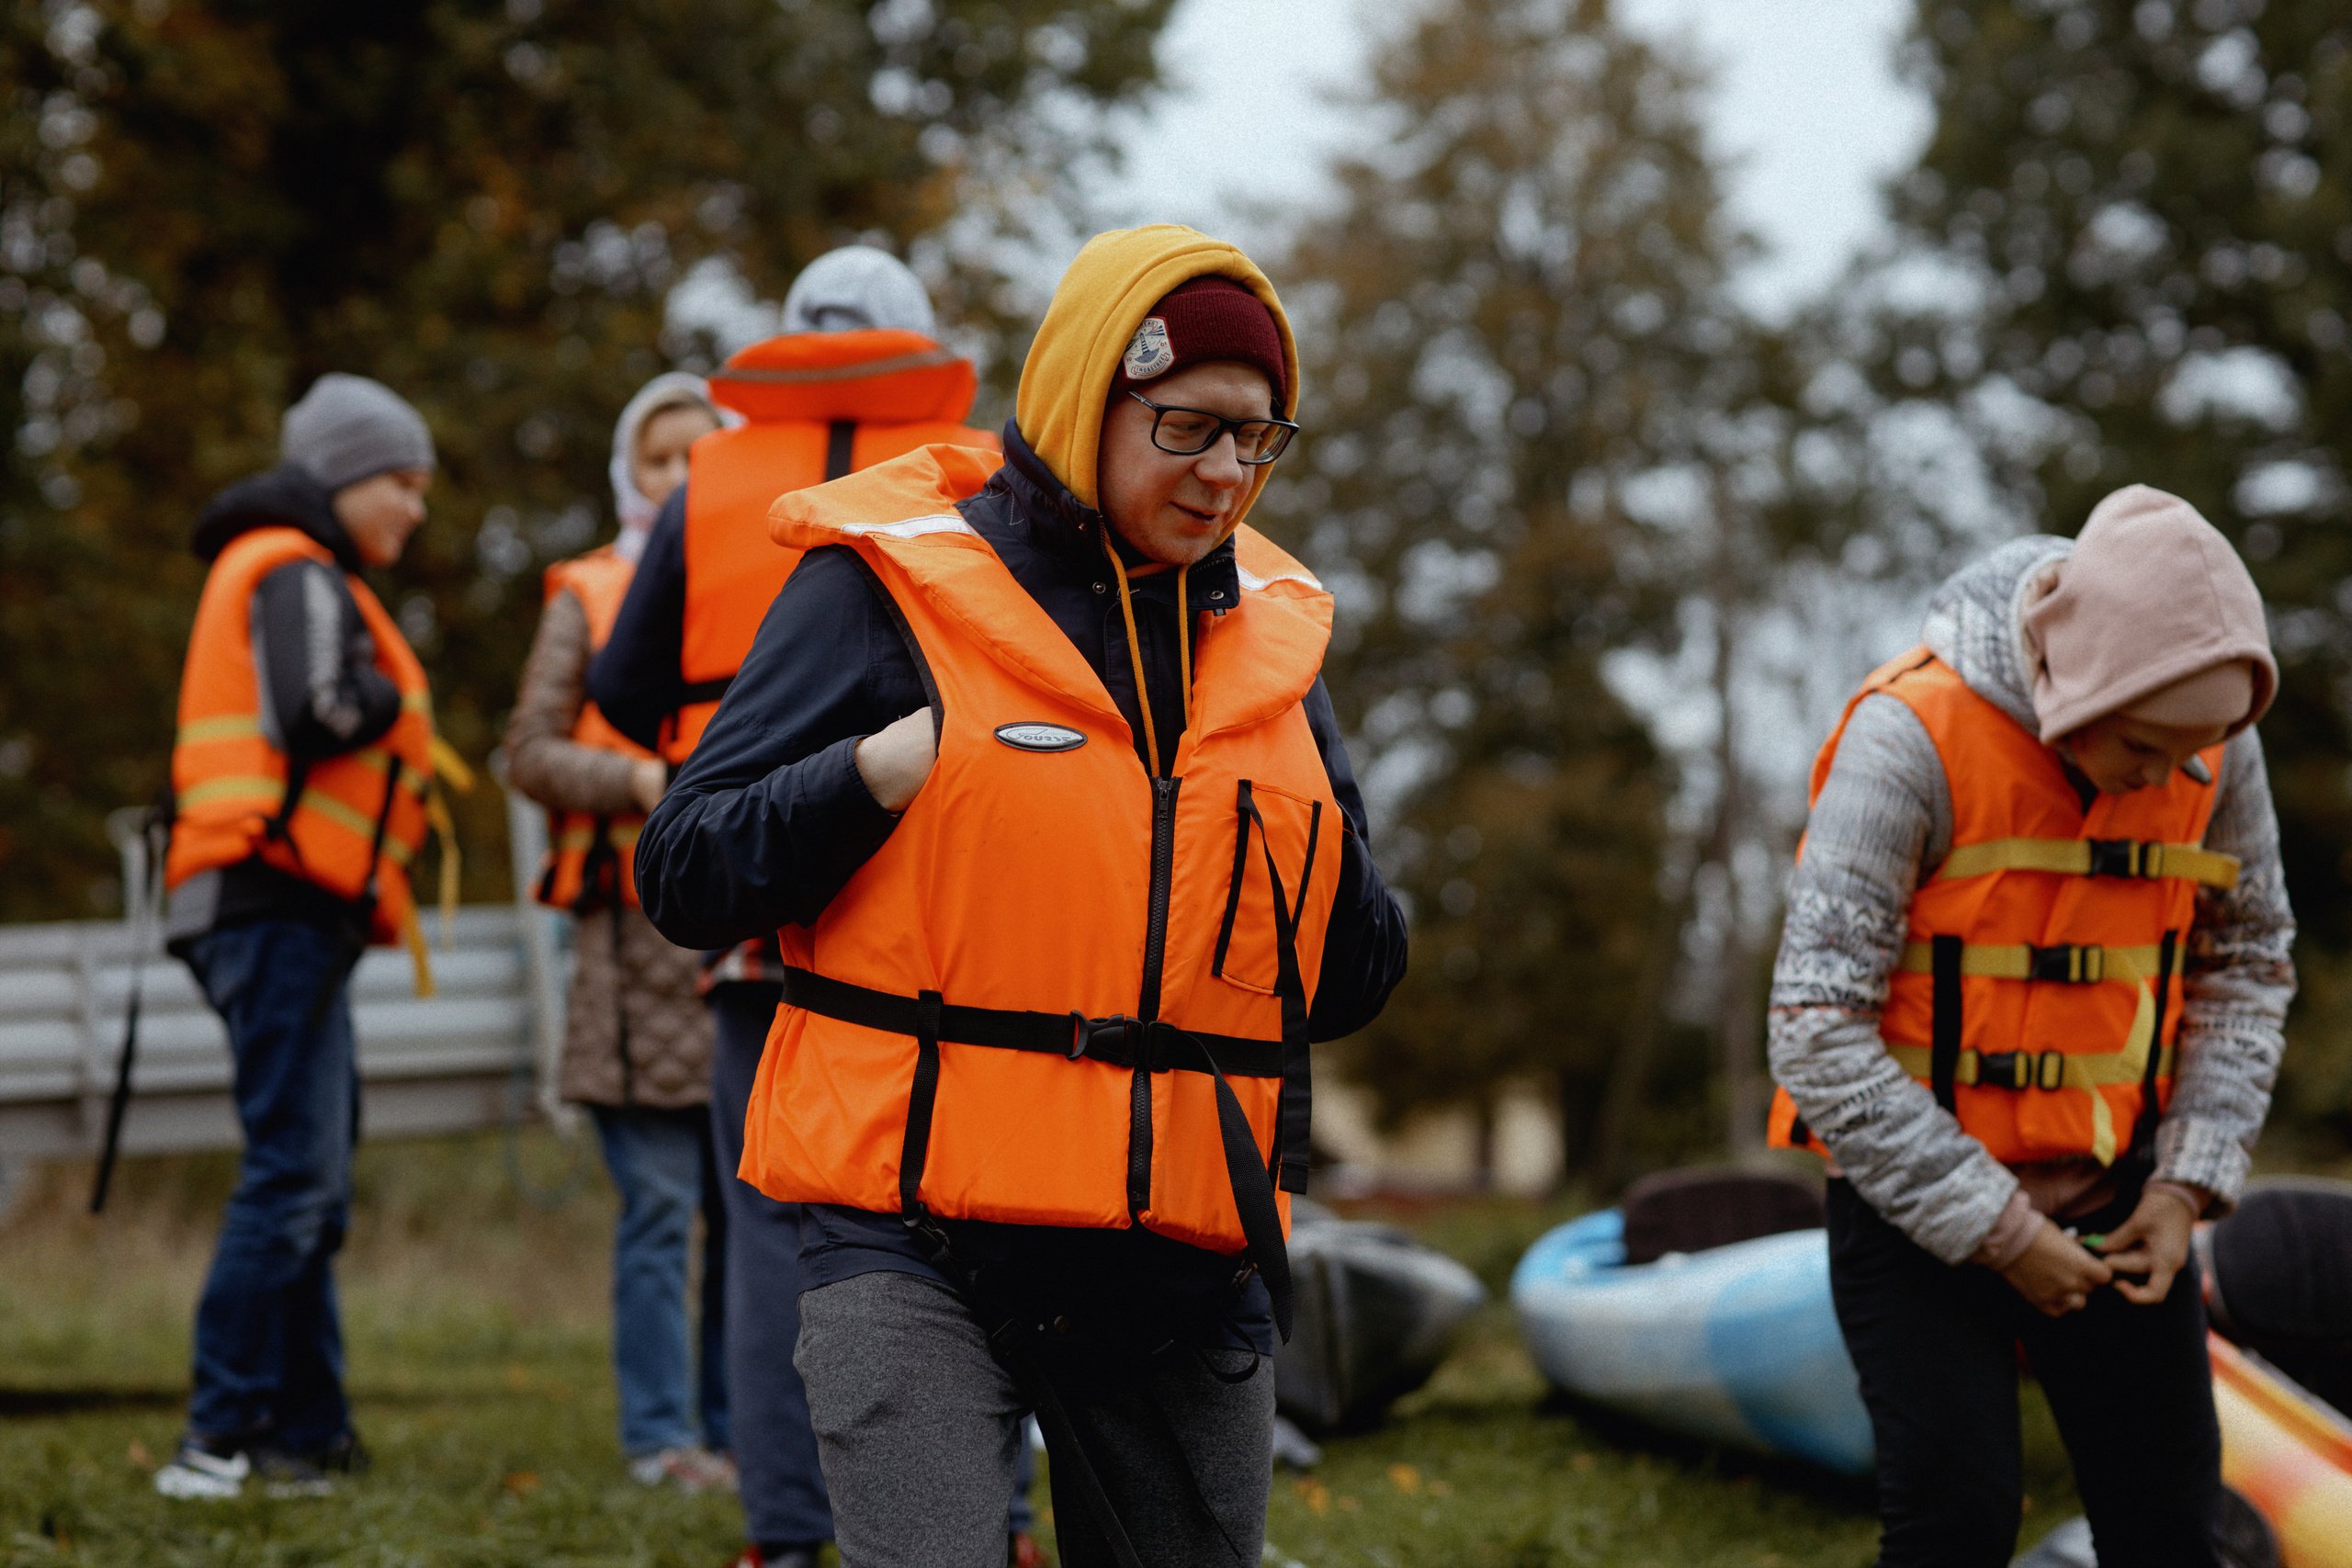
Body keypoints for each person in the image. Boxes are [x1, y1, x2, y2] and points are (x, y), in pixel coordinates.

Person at [633, 224, 1410, 1568]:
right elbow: (685, 868)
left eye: (1259, 437)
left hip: (1184, 1250)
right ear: (1083, 398)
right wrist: (869, 774)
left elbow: (1353, 979)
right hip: (918, 1232)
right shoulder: (882, 588)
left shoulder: (1274, 637)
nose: (1227, 471)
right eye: (1187, 427)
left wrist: (1293, 834)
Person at [1766, 487, 2296, 1567]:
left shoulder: (2212, 745)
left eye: (2199, 752)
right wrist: (2003, 1238)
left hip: (2121, 1200)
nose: (2170, 780)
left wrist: (2182, 1185)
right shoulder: (1907, 736)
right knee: (1955, 1527)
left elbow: (2247, 963)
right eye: (2146, 748)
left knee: (2170, 1531)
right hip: (1913, 1212)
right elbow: (1814, 1027)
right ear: (2076, 686)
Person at [588, 246, 1004, 1568]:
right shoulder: (976, 467)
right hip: (941, 910)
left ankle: (781, 1531)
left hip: (761, 906)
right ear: (917, 336)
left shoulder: (708, 476)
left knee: (771, 1213)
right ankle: (989, 1521)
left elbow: (622, 677)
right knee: (976, 1209)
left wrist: (719, 732)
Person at [151, 374, 442, 1500]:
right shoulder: (295, 566)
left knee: (313, 1183)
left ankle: (308, 1432)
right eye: (401, 485)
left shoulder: (293, 566)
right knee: (290, 1179)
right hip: (269, 902)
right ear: (342, 478)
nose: (413, 509)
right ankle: (214, 1442)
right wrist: (384, 696)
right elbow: (316, 710)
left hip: (282, 908)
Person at [505, 373, 734, 1493]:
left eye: (704, 455)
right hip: (626, 945)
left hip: (735, 938)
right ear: (626, 474)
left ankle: (742, 1437)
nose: (683, 478)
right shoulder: (587, 594)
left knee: (746, 1211)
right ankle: (660, 1440)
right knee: (658, 1208)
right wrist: (647, 774)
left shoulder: (760, 581)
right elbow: (530, 750)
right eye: (660, 460)